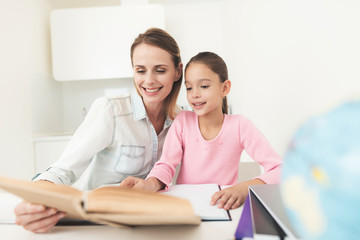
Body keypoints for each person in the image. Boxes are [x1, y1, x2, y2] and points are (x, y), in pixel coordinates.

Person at [14, 27, 183, 233]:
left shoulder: (183, 121)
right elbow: (62, 170)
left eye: (160, 70)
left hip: (154, 225)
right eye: (140, 70)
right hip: (100, 225)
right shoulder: (111, 110)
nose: (148, 80)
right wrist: (35, 202)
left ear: (177, 72)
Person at [120, 51, 282, 211]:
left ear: (225, 88)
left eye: (204, 86)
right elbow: (166, 164)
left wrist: (245, 187)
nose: (195, 95)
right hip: (185, 207)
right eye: (189, 88)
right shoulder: (183, 121)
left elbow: (280, 169)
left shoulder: (240, 125)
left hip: (222, 208)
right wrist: (149, 184)